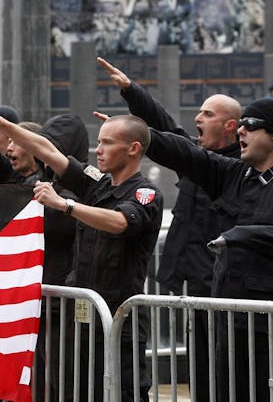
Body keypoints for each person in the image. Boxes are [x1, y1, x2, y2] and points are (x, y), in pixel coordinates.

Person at [0, 96, 163, 402]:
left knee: (122, 391)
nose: (98, 150)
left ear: (133, 148)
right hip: (81, 316)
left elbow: (120, 222)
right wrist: (4, 126)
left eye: (107, 143)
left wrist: (66, 205)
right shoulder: (97, 184)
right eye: (98, 142)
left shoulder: (145, 193)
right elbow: (47, 151)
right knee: (75, 389)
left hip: (117, 318)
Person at [98, 56, 242, 401]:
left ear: (231, 126)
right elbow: (168, 131)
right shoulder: (198, 161)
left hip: (222, 288)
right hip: (193, 284)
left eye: (208, 114)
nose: (198, 118)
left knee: (229, 372)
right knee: (201, 371)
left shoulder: (237, 172)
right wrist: (132, 93)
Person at [143, 97, 273, 402]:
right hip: (228, 319)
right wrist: (138, 134)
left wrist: (249, 235)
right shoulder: (233, 175)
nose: (241, 131)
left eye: (250, 126)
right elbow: (184, 152)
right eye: (240, 125)